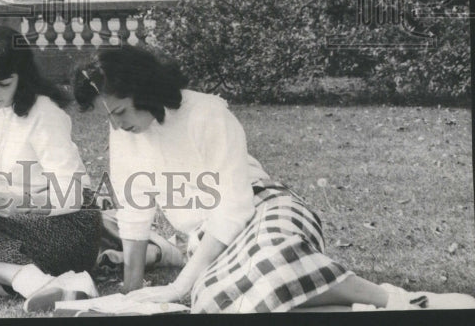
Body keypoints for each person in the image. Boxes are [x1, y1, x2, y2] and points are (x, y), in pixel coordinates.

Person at [73, 46, 475, 313]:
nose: (117, 125)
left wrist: (179, 286)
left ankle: (395, 300)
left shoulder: (208, 114)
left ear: (142, 90)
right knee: (214, 298)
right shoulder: (124, 132)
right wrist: (133, 286)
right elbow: (135, 210)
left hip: (265, 208)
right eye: (110, 117)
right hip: (206, 239)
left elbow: (233, 208)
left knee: (271, 259)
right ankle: (345, 307)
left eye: (120, 112)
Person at [0, 26, 165, 313]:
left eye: (4, 84)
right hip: (9, 222)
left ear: (22, 79)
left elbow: (74, 195)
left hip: (68, 225)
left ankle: (34, 283)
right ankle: (47, 285)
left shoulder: (44, 113)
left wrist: (21, 203)